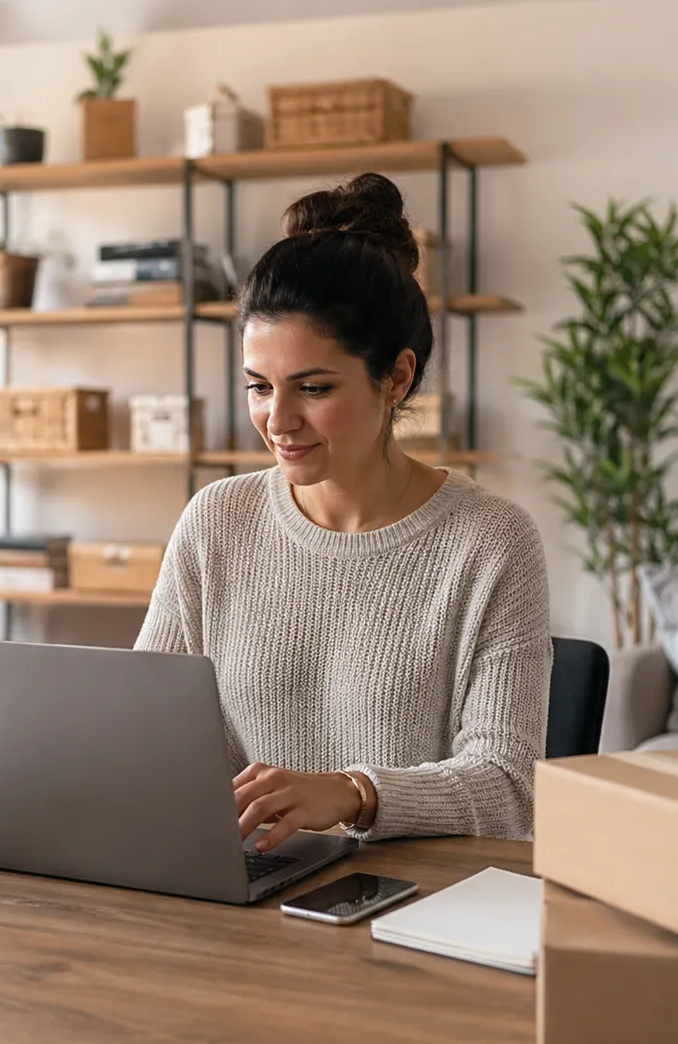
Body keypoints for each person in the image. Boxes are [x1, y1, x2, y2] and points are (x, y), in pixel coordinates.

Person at [134, 172, 552, 849]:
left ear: (397, 377)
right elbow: (142, 727)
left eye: (314, 387)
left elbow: (509, 787)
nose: (278, 419)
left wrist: (355, 795)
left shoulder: (491, 541)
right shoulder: (215, 520)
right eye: (258, 387)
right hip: (244, 887)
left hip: (417, 901)